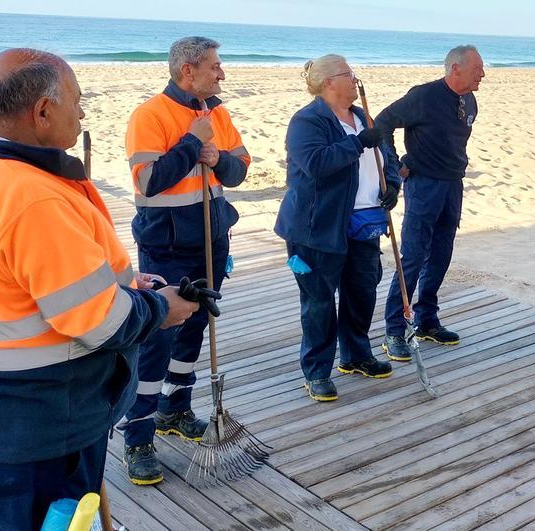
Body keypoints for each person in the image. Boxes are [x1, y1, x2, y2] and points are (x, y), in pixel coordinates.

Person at [0, 49, 198, 529]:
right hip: (42, 426)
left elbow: (33, 284)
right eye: (77, 99)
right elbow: (99, 321)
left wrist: (132, 285)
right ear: (43, 112)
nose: (84, 111)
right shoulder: (32, 197)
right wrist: (161, 308)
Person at [121, 36, 251, 485]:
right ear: (187, 71)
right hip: (166, 247)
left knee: (196, 326)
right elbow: (150, 181)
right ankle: (137, 436)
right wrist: (191, 145)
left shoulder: (217, 111)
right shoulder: (149, 115)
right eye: (215, 66)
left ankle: (174, 408)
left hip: (212, 241)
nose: (222, 73)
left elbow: (240, 169)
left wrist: (217, 159)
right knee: (158, 337)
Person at [275, 55, 401, 401]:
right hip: (317, 227)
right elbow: (316, 164)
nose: (355, 79)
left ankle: (356, 355)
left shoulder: (362, 116)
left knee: (362, 291)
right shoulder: (307, 120)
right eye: (349, 74)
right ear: (329, 81)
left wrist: (391, 185)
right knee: (318, 300)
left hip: (364, 221)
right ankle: (316, 371)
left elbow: (388, 157)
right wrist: (359, 143)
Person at [371, 45, 482, 361]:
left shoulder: (469, 100)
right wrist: (395, 164)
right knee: (413, 256)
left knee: (442, 254)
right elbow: (382, 123)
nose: (483, 74)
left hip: (453, 185)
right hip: (423, 185)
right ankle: (395, 329)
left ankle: (427, 319)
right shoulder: (423, 96)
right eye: (477, 69)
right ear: (455, 69)